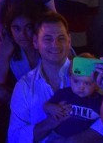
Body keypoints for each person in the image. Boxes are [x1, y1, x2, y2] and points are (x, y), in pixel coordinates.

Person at [7, 11, 74, 143]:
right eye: (48, 39)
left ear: (69, 41)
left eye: (61, 38)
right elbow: (14, 138)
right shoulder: (24, 86)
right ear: (35, 42)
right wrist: (51, 122)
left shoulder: (89, 76)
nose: (55, 44)